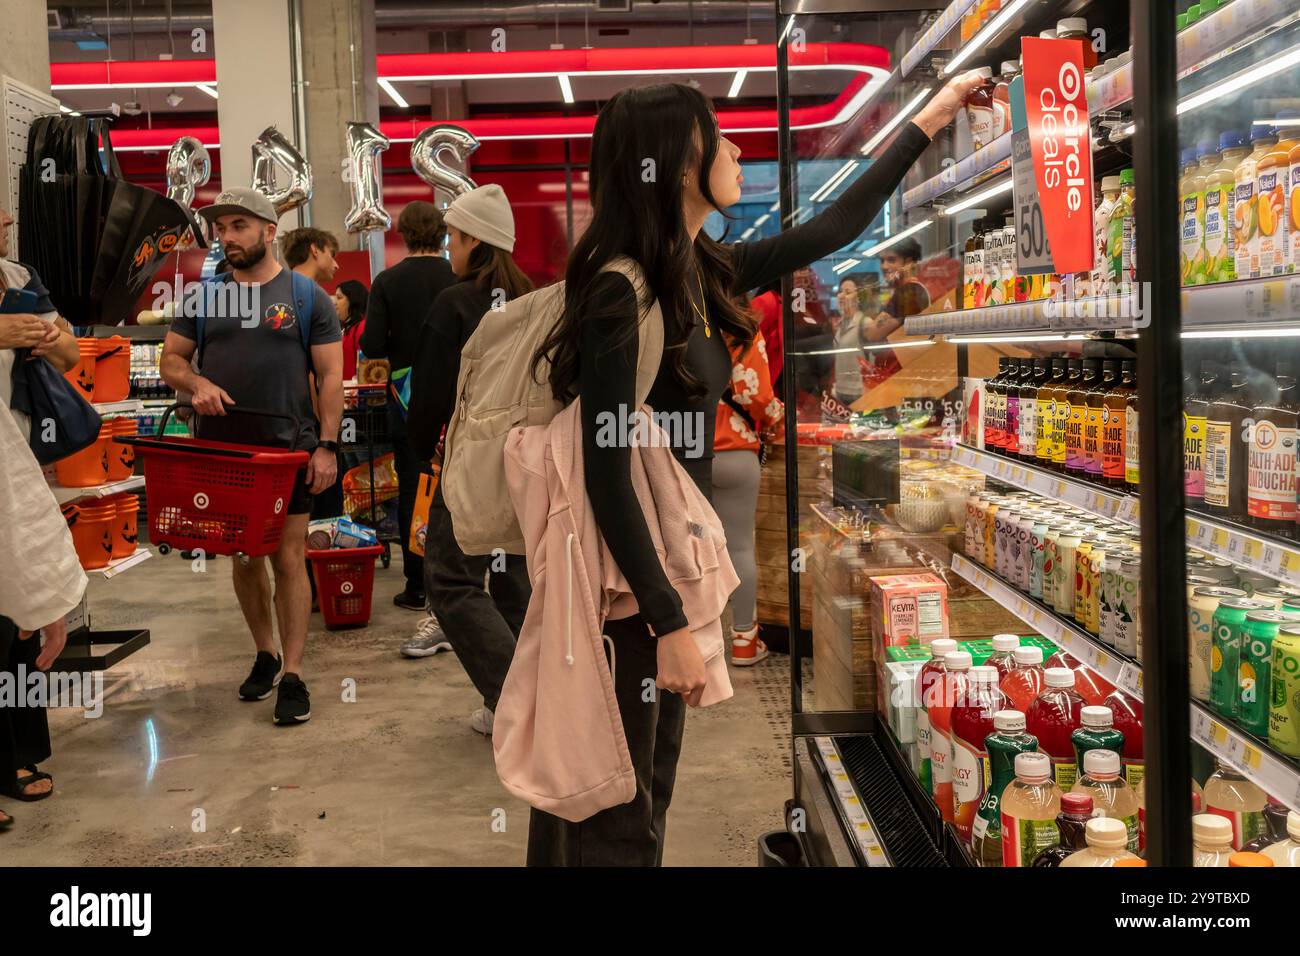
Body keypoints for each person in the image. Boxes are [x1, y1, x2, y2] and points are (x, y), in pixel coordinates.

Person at [526, 73, 979, 866]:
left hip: (667, 569)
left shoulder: (698, 273)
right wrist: (665, 622)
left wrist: (929, 121)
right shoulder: (616, 293)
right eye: (719, 139)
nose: (737, 151)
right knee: (616, 810)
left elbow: (838, 224)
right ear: (675, 163)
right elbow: (606, 476)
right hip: (622, 591)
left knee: (645, 793)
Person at [160, 187, 344, 725]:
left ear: (269, 232)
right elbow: (172, 360)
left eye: (239, 225)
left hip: (288, 450)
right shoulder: (203, 297)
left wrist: (328, 446)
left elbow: (330, 376)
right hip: (223, 453)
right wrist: (196, 383)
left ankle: (294, 674)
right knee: (243, 556)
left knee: (289, 559)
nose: (227, 237)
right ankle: (264, 652)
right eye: (221, 228)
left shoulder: (306, 297)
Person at [403, 185, 533, 735]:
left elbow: (429, 398)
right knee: (514, 583)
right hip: (529, 464)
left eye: (455, 237)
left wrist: (419, 451)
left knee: (452, 582)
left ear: (475, 239)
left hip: (470, 464)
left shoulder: (453, 304)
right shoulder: (536, 299)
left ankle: (519, 705)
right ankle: (528, 695)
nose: (450, 248)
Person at [0, 207, 84, 826]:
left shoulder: (14, 277)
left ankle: (17, 754)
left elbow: (73, 354)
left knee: (18, 619)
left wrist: (52, 340)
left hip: (12, 463)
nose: (6, 216)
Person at [361, 202, 456, 612]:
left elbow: (372, 344)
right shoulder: (459, 277)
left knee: (414, 486)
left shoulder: (387, 281)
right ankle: (459, 580)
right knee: (459, 483)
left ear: (402, 235)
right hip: (460, 393)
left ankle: (417, 584)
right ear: (444, 234)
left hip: (406, 397)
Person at [713, 332, 783, 665]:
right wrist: (776, 419)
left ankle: (692, 641)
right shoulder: (741, 331)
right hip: (734, 450)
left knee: (683, 547)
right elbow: (759, 397)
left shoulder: (677, 317)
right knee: (739, 546)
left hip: (679, 451)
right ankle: (743, 641)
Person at [859, 237, 931, 389]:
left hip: (902, 379)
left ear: (908, 262)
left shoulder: (908, 291)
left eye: (891, 260)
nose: (884, 266)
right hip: (902, 377)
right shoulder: (909, 290)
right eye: (882, 260)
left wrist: (868, 323)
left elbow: (872, 334)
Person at [332, 280, 369, 383]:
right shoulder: (346, 328)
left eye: (339, 298)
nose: (334, 302)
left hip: (355, 392)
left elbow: (365, 368)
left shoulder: (361, 327)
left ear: (353, 301)